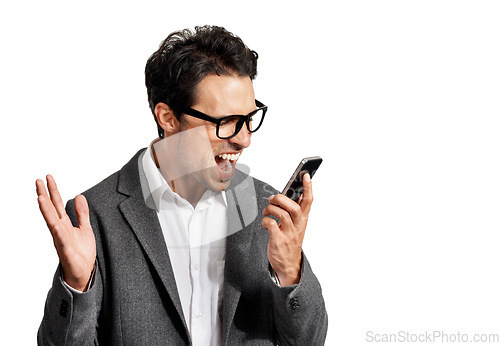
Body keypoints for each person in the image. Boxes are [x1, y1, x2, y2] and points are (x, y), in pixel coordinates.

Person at [36, 25, 327, 345]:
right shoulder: (95, 216)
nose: (244, 139)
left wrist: (290, 271)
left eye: (249, 117)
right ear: (168, 118)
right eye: (225, 122)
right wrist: (77, 285)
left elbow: (308, 341)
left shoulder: (264, 206)